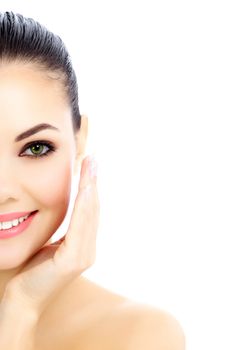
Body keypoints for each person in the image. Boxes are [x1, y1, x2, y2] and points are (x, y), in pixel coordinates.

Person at [0, 11, 185, 350]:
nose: (3, 191)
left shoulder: (139, 336)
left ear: (79, 141)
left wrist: (21, 308)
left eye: (36, 148)